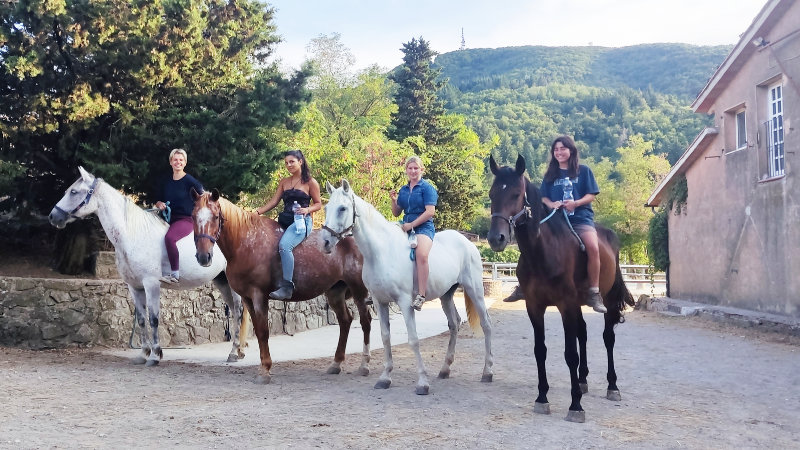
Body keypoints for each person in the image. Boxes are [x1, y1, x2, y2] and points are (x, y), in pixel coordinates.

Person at [539, 135, 606, 313]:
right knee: (533, 242)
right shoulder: (550, 175)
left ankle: (594, 292)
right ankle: (525, 285)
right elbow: (543, 197)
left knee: (593, 247)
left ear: (571, 150)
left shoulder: (583, 171)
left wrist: (575, 203)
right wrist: (552, 204)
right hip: (556, 222)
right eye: (556, 149)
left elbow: (591, 195)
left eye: (562, 148)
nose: (559, 152)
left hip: (580, 219)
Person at [255, 150, 321, 300]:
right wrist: (257, 212)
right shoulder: (284, 182)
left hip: (301, 222)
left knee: (284, 246)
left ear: (300, 162)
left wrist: (307, 210)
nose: (289, 165)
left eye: (292, 161)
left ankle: (287, 287)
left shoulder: (311, 182)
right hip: (284, 220)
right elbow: (274, 202)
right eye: (286, 163)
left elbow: (318, 204)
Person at [390, 156, 438, 311]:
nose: (413, 171)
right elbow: (397, 213)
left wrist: (412, 225)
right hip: (406, 226)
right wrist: (394, 201)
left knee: (421, 255)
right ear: (406, 170)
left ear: (421, 170)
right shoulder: (403, 190)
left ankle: (421, 295)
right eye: (410, 168)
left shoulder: (427, 188)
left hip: (423, 227)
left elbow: (430, 212)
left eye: (416, 168)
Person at [155, 148, 204, 284]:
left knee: (169, 238)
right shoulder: (166, 181)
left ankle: (175, 274)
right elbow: (158, 199)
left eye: (181, 160)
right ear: (171, 162)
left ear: (185, 163)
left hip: (185, 219)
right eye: (175, 160)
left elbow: (203, 195)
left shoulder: (190, 181)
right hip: (167, 218)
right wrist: (159, 204)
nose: (178, 162)